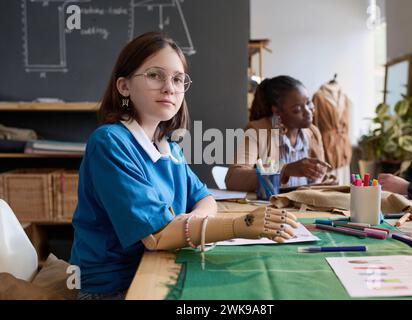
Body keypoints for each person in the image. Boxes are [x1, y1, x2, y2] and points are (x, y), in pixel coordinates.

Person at [70, 32, 299, 300]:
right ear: (124, 86)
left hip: (162, 265)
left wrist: (184, 226)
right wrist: (241, 224)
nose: (169, 87)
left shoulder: (170, 147)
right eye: (155, 75)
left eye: (178, 79)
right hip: (113, 288)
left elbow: (204, 199)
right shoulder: (109, 142)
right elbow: (157, 236)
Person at [225, 75, 331, 192]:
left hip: (304, 207)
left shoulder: (313, 133)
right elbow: (233, 178)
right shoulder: (257, 131)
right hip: (271, 207)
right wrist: (285, 170)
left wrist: (323, 178)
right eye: (297, 109)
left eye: (308, 103)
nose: (308, 112)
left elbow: (319, 179)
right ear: (277, 111)